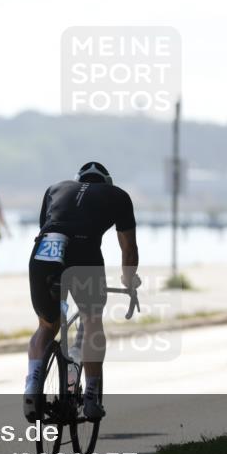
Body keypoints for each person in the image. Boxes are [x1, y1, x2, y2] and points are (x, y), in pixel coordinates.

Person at [24, 161, 139, 422]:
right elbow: (128, 249)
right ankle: (90, 396)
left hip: (44, 252)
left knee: (46, 325)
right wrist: (128, 281)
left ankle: (32, 386)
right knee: (91, 318)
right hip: (83, 252)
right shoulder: (118, 195)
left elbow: (48, 225)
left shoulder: (55, 188)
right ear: (106, 183)